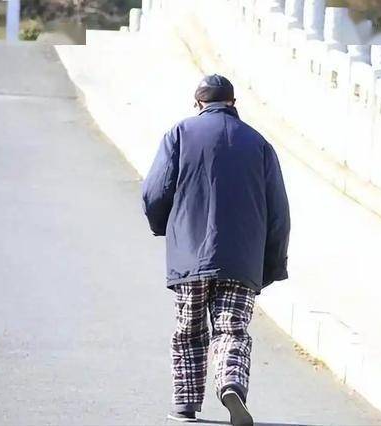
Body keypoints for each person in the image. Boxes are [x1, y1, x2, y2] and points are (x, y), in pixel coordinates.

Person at [142, 74, 291, 426]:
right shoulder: (259, 144)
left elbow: (154, 193)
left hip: (189, 255)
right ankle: (230, 384)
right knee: (231, 330)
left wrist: (165, 228)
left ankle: (185, 405)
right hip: (242, 260)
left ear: (198, 103)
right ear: (233, 104)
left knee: (189, 331)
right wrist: (272, 264)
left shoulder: (180, 134)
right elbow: (279, 213)